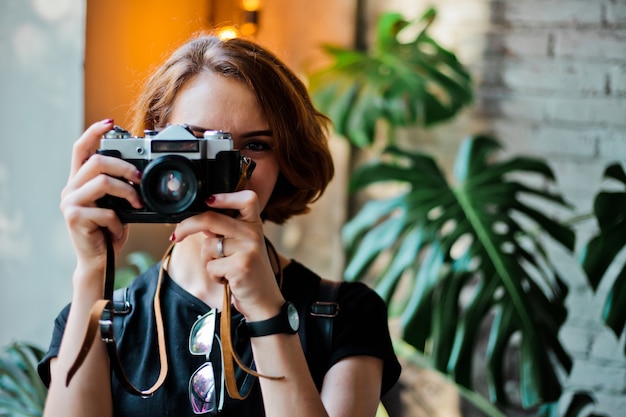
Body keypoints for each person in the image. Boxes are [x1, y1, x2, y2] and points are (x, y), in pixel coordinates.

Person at [38, 33, 401, 417]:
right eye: (198, 144)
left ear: (286, 160)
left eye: (255, 145)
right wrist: (93, 270)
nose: (230, 169)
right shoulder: (98, 317)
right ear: (153, 149)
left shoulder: (345, 313)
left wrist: (266, 309)